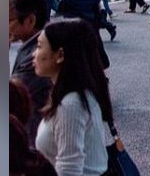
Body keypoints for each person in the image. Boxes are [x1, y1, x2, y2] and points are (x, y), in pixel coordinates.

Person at [32, 19, 115, 176]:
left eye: (39, 46)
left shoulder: (71, 104)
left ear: (60, 55)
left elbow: (69, 169)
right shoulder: (77, 93)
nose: (34, 54)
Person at [9, 0, 51, 141]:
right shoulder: (35, 45)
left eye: (8, 20)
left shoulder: (38, 55)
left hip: (36, 141)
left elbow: (11, 98)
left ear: (30, 20)